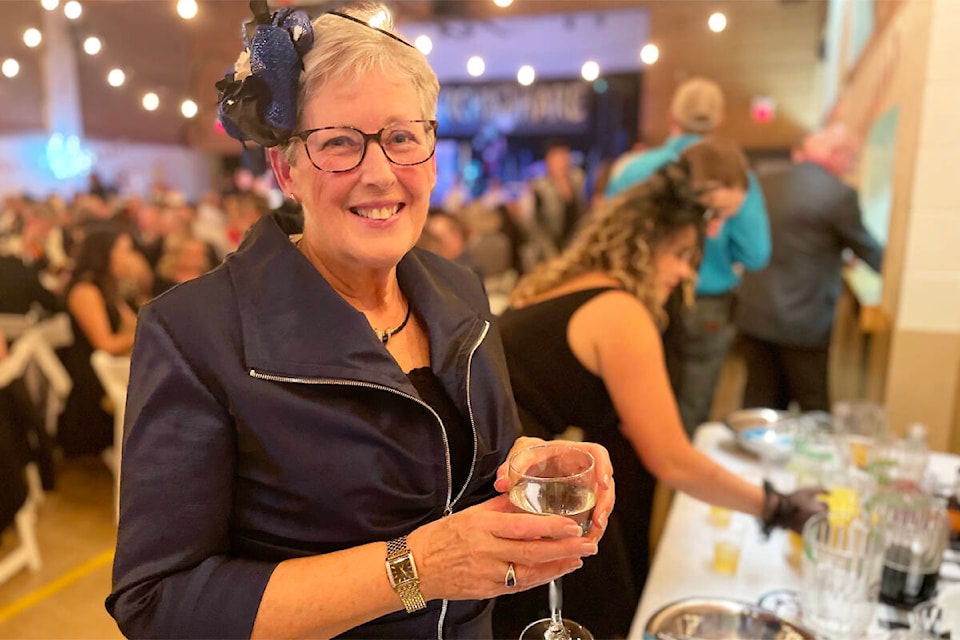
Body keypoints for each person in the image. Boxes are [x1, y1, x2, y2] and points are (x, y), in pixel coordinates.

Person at [106, 3, 614, 638]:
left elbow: (479, 481)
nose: (379, 173)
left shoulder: (460, 292)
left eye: (402, 138)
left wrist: (533, 465)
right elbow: (157, 604)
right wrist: (416, 568)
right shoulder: (194, 333)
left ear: (431, 157)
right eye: (340, 143)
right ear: (286, 169)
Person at [493, 140, 824, 639]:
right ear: (647, 243)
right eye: (683, 255)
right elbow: (671, 459)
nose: (687, 273)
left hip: (511, 478)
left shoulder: (571, 280)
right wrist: (776, 505)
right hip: (530, 500)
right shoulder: (621, 312)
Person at [606, 77, 771, 437]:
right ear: (719, 122)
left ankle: (631, 487)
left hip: (636, 299)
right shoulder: (735, 177)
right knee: (691, 411)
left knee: (628, 405)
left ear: (671, 118)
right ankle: (679, 486)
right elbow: (756, 255)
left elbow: (607, 241)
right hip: (706, 304)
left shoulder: (632, 169)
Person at [735, 125, 883, 412]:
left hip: (755, 313)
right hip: (804, 321)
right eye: (852, 159)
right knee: (812, 406)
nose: (852, 167)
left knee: (758, 403)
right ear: (836, 155)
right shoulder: (839, 195)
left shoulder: (763, 182)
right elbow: (868, 249)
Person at [56, 225, 140, 458]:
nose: (129, 258)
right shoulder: (86, 289)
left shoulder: (107, 285)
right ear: (106, 253)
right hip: (92, 376)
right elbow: (105, 343)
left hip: (106, 364)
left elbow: (132, 322)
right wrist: (145, 333)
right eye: (124, 251)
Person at [522, 138, 588, 268]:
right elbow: (535, 227)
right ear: (548, 160)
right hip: (548, 254)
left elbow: (585, 215)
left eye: (565, 157)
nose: (562, 162)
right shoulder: (539, 188)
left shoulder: (578, 181)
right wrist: (551, 255)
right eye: (557, 158)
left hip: (575, 249)